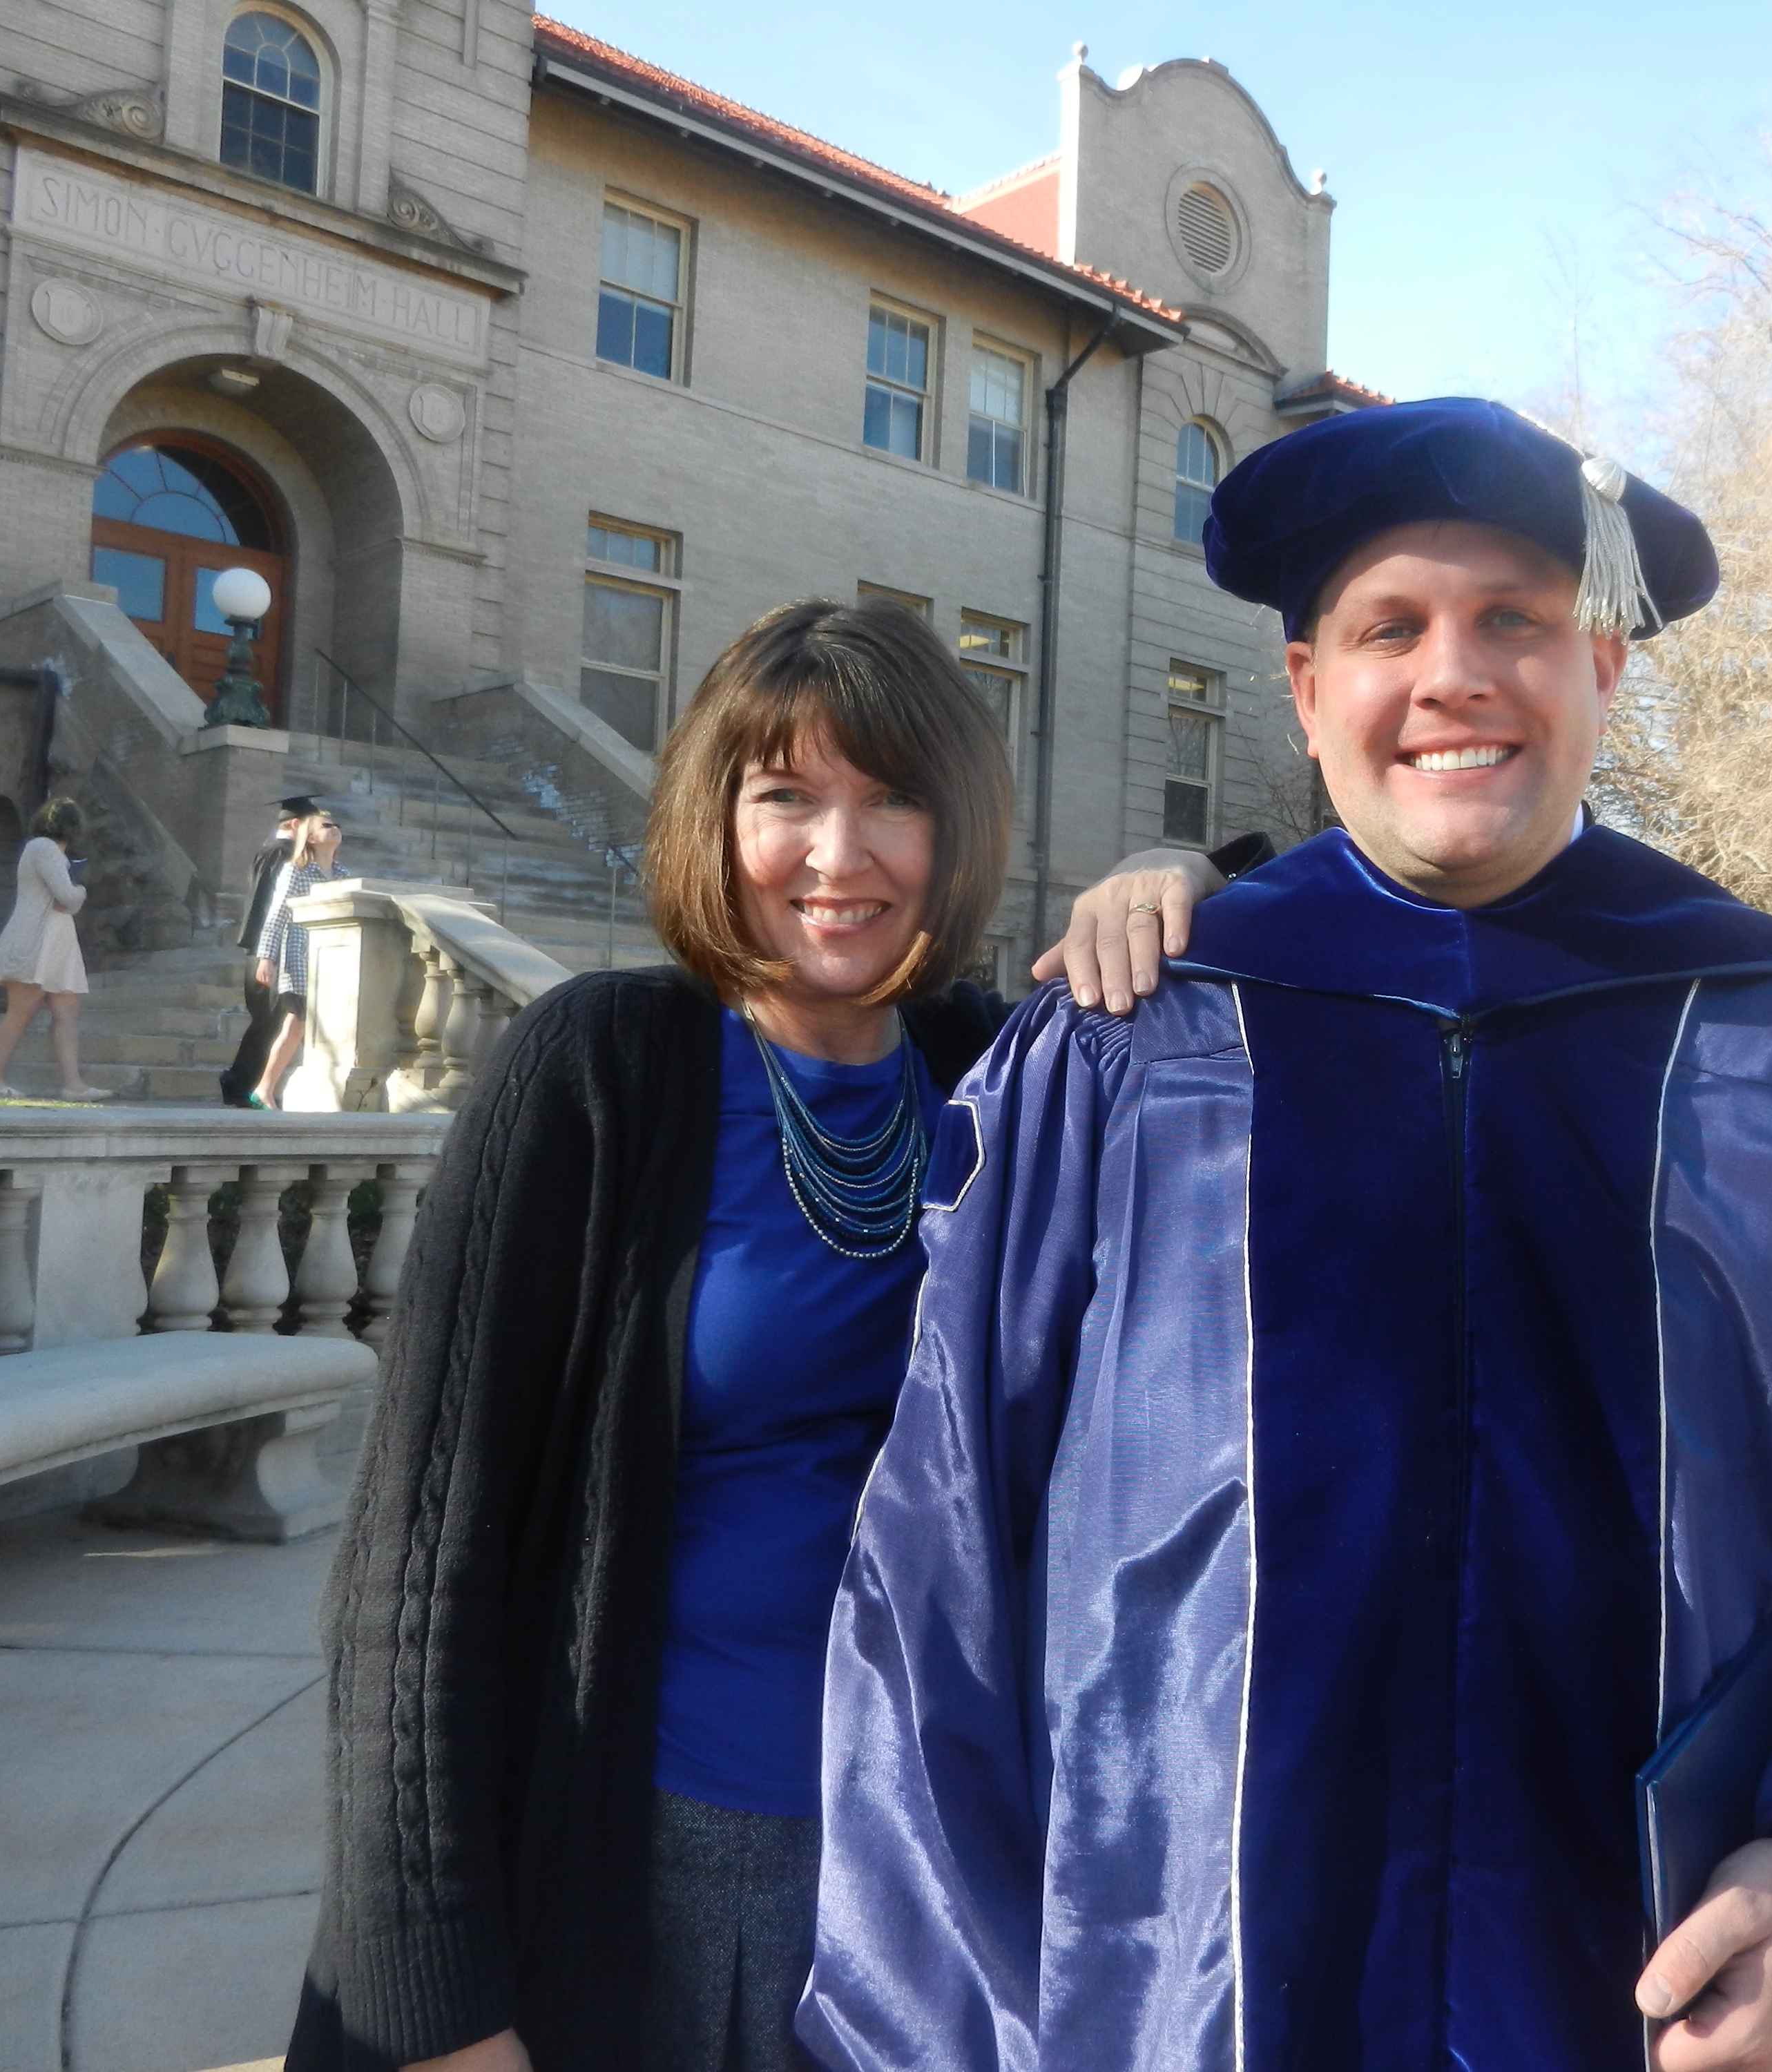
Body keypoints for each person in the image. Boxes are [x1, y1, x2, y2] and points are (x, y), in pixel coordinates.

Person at [801, 400, 1772, 2072]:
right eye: (1390, 628)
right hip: (1181, 2003)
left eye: (1516, 623)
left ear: (1601, 669)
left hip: (1680, 1997)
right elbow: (938, 1578)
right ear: (1308, 690)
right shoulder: (1121, 1052)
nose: (1454, 674)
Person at [287, 596, 1264, 2072]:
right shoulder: (605, 1068)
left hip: (937, 1870)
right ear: (712, 818)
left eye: (891, 803)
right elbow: (419, 1558)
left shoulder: (991, 1077)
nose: (836, 854)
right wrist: (437, 2002)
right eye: (784, 797)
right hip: (666, 1855)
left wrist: (1184, 872)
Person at [0, 795, 108, 1100]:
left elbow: (64, 903)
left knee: (68, 1008)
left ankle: (73, 1085)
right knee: (22, 1011)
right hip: (36, 939)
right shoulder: (44, 848)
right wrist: (81, 890)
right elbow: (67, 895)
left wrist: (72, 897)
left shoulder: (45, 851)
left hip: (53, 942)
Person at [249, 807, 351, 1109]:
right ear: (310, 838)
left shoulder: (344, 875)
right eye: (326, 825)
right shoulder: (295, 870)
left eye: (337, 825)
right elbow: (277, 914)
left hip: (332, 962)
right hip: (299, 958)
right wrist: (266, 957)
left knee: (318, 1026)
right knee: (295, 1024)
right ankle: (265, 1088)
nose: (334, 829)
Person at [222, 795, 316, 1107]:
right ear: (295, 824)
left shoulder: (272, 851)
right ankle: (241, 1084)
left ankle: (244, 1084)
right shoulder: (282, 854)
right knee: (271, 1022)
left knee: (270, 1021)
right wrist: (268, 952)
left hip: (264, 947)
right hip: (269, 948)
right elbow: (270, 906)